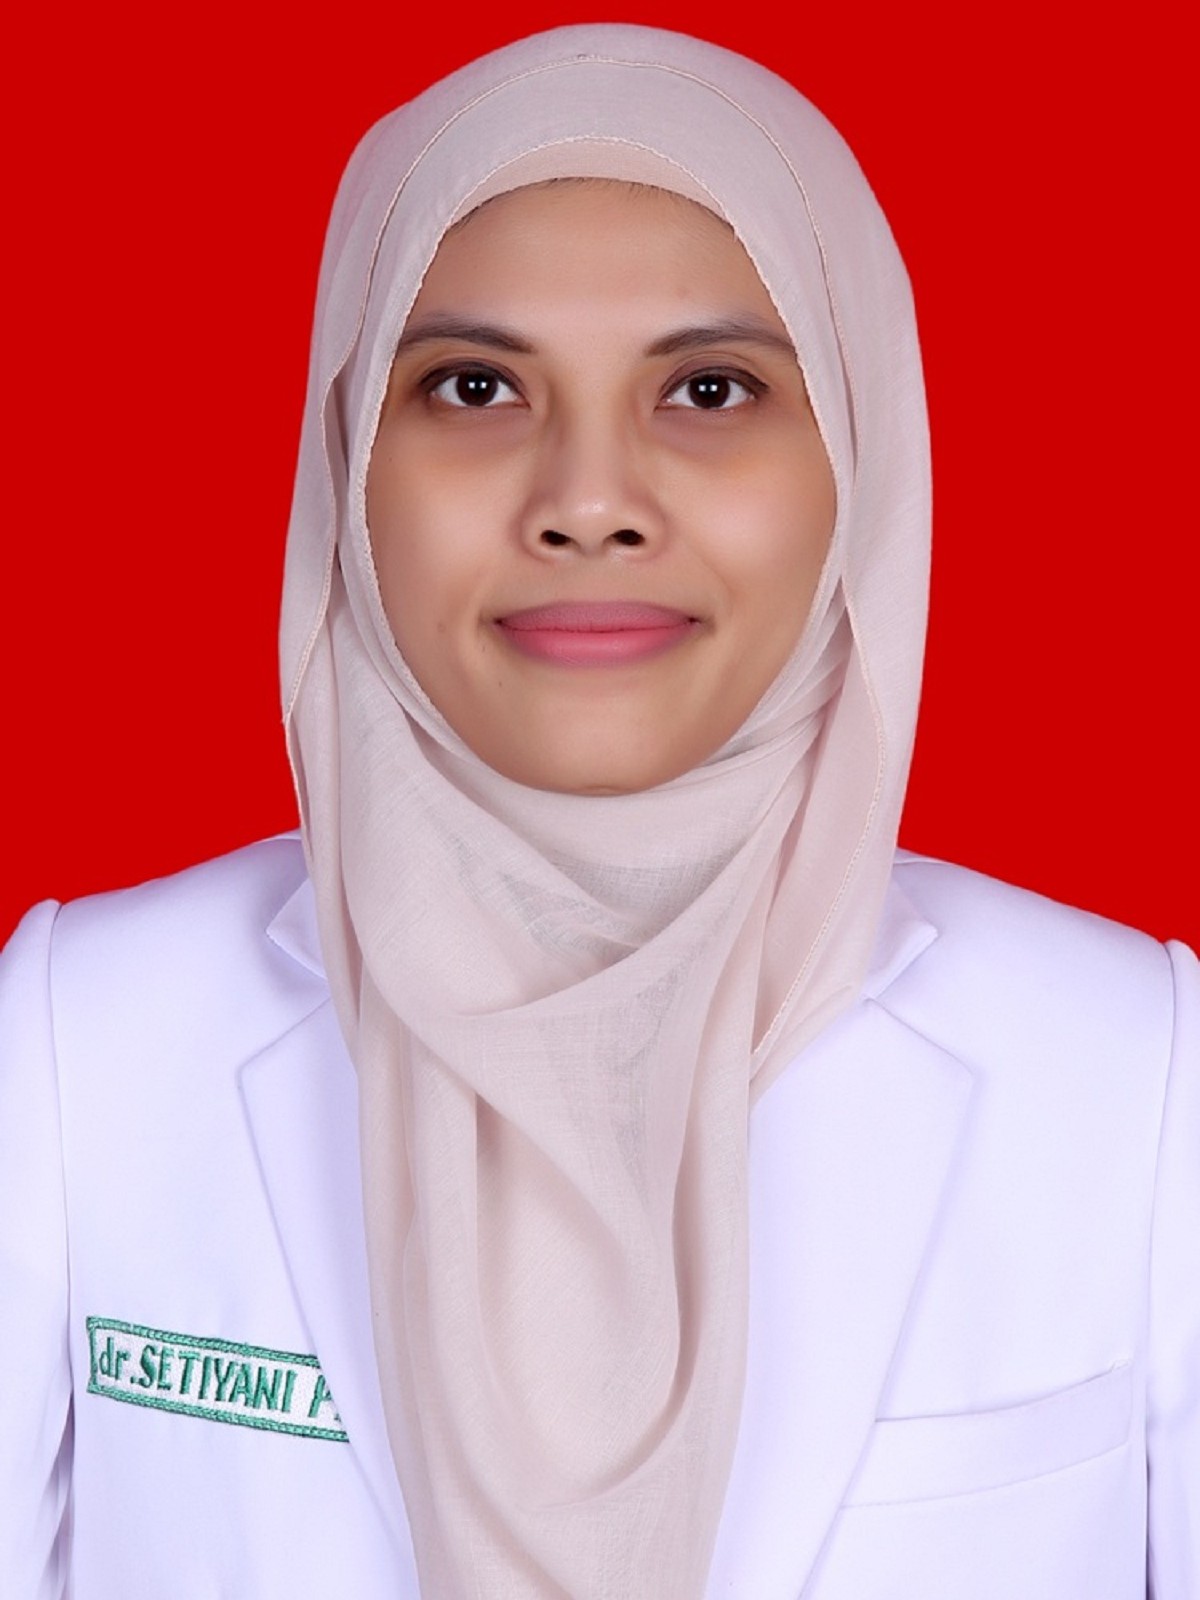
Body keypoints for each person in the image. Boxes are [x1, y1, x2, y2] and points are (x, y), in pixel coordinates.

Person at [0, 22, 1195, 1600]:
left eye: (709, 389)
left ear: (860, 456)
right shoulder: (79, 1046)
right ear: (348, 463)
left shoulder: (1137, 1076)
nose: (586, 500)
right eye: (474, 386)